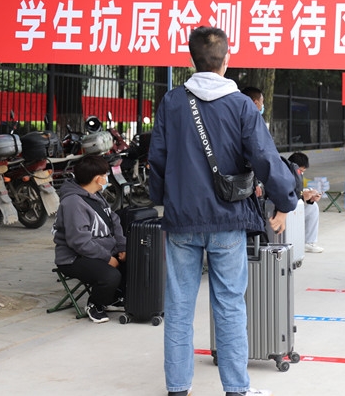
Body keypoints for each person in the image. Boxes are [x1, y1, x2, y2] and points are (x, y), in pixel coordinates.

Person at [149, 26, 298, 396]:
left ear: (192, 60)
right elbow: (264, 157)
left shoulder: (172, 102)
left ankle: (178, 388)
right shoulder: (242, 105)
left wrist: (162, 202)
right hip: (227, 220)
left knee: (178, 307)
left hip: (181, 220)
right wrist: (285, 201)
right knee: (229, 306)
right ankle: (235, 389)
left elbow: (158, 159)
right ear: (226, 60)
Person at [53, 154, 126, 324]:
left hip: (100, 251)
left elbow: (114, 221)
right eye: (105, 174)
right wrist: (107, 258)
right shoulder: (73, 202)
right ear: (97, 179)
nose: (107, 178)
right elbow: (79, 242)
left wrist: (122, 247)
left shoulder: (97, 195)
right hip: (74, 258)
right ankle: (95, 304)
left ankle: (113, 298)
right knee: (110, 276)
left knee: (136, 262)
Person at [287, 152, 324, 253]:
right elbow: (286, 195)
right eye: (301, 171)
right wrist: (302, 197)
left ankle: (308, 242)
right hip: (282, 211)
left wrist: (309, 198)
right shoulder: (283, 176)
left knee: (312, 207)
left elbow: (297, 192)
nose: (301, 174)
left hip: (292, 208)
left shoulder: (296, 175)